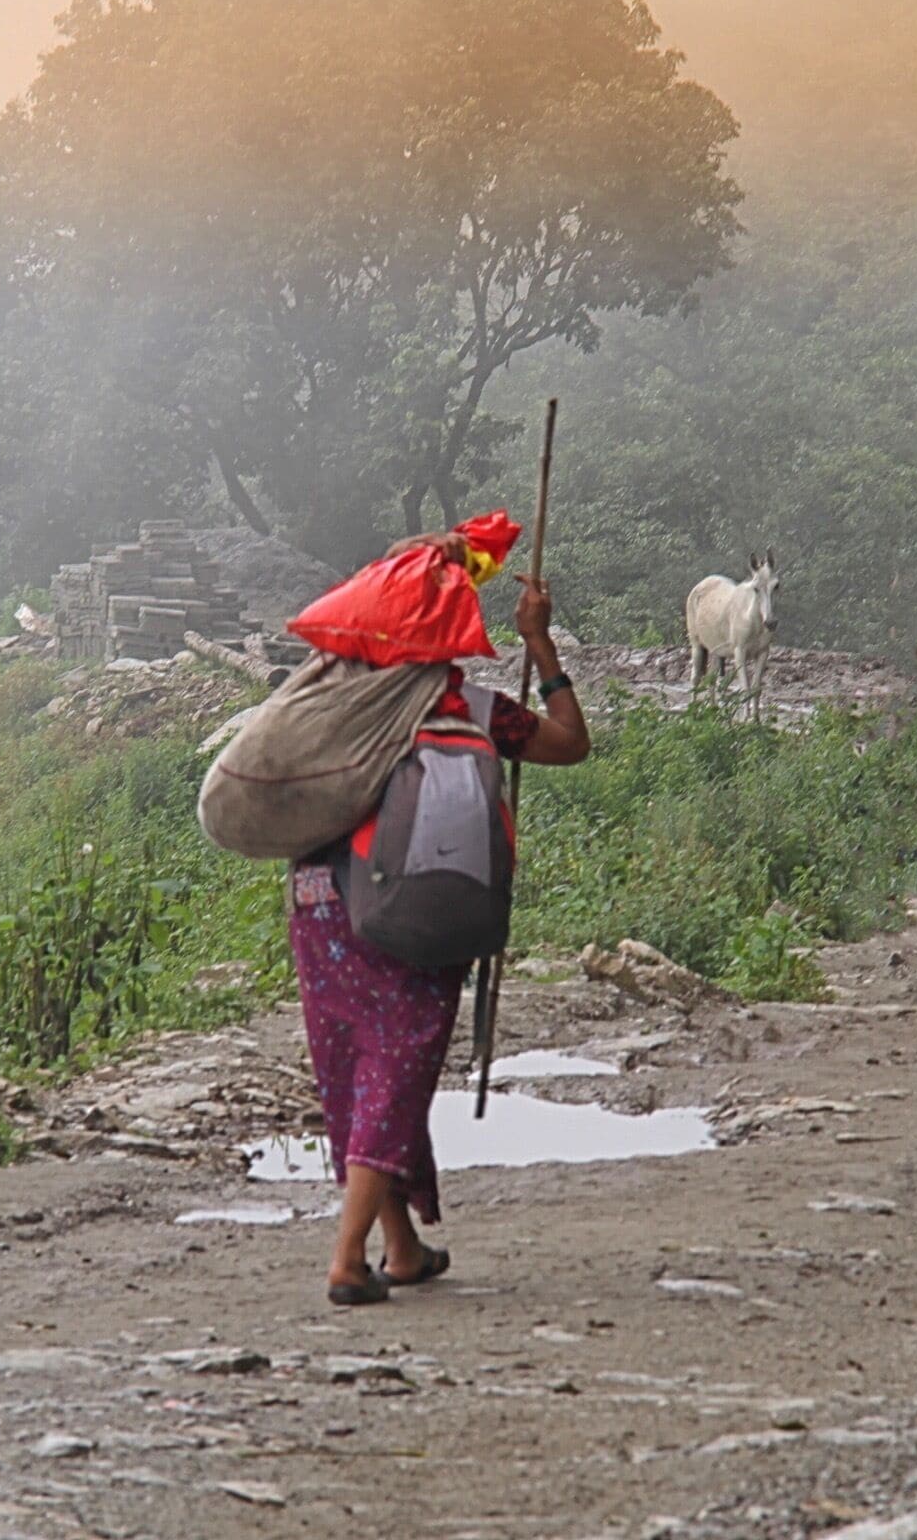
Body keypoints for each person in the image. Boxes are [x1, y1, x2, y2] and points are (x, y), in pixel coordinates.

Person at [290, 530, 591, 1306]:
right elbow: (569, 744)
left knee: (360, 1072)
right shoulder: (468, 706)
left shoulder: (334, 692)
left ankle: (401, 1247)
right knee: (397, 1068)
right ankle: (348, 1258)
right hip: (407, 903)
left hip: (320, 903)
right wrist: (539, 643)